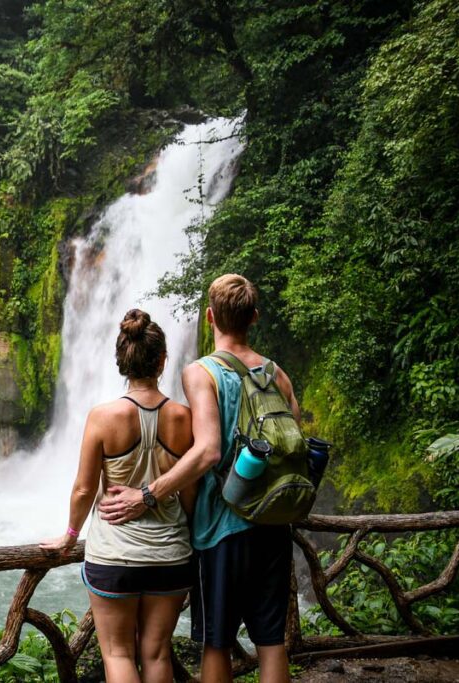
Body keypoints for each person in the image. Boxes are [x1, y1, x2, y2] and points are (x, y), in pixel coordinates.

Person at [98, 274, 298, 683]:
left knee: (217, 642)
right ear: (254, 317)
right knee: (272, 642)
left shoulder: (202, 371)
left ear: (209, 317)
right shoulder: (277, 374)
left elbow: (207, 450)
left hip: (222, 526)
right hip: (273, 522)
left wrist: (148, 494)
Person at [41, 308, 196, 683]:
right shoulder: (184, 417)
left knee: (117, 653)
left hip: (114, 556)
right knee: (157, 654)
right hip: (170, 555)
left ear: (120, 362)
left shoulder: (103, 417)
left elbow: (83, 488)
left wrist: (70, 535)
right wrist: (189, 536)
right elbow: (189, 489)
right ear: (162, 361)